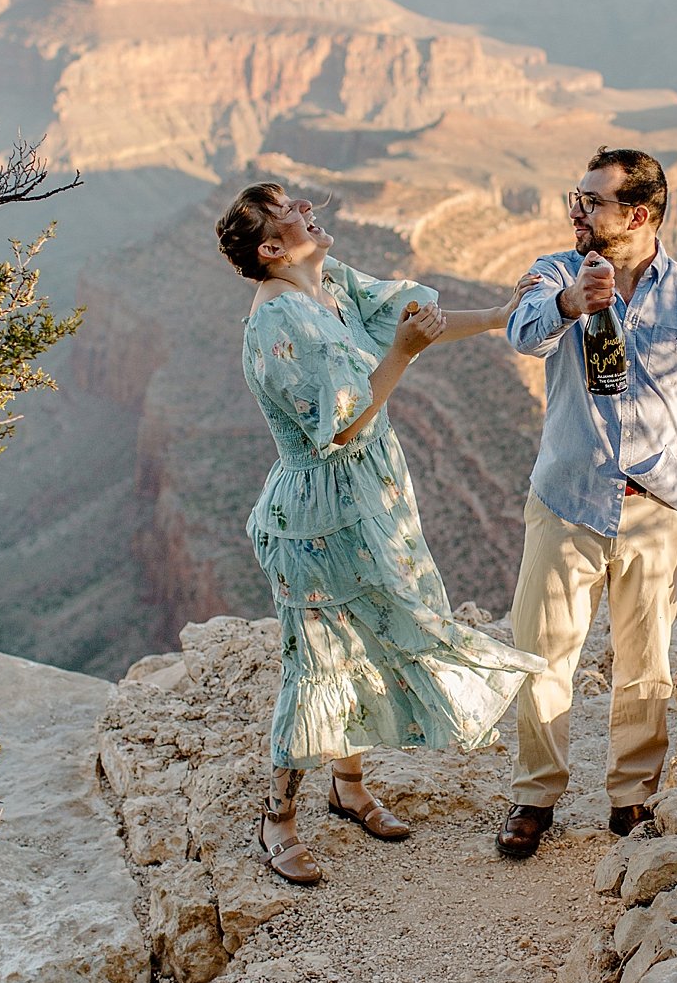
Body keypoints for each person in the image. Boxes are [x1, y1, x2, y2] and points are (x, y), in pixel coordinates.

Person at [215, 180, 545, 886]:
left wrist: (494, 316)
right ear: (272, 249)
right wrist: (398, 355)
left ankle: (350, 785)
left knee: (365, 637)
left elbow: (412, 318)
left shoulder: (329, 281)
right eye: (292, 213)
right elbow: (338, 425)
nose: (311, 211)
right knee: (318, 661)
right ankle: (276, 821)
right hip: (318, 511)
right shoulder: (279, 324)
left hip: (374, 495)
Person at [496, 147, 677, 859]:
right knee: (542, 654)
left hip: (657, 508)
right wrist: (573, 301)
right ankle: (535, 796)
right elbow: (520, 332)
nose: (575, 211)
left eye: (590, 200)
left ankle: (630, 799)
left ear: (637, 215)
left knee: (645, 660)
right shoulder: (554, 271)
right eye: (573, 197)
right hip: (568, 499)